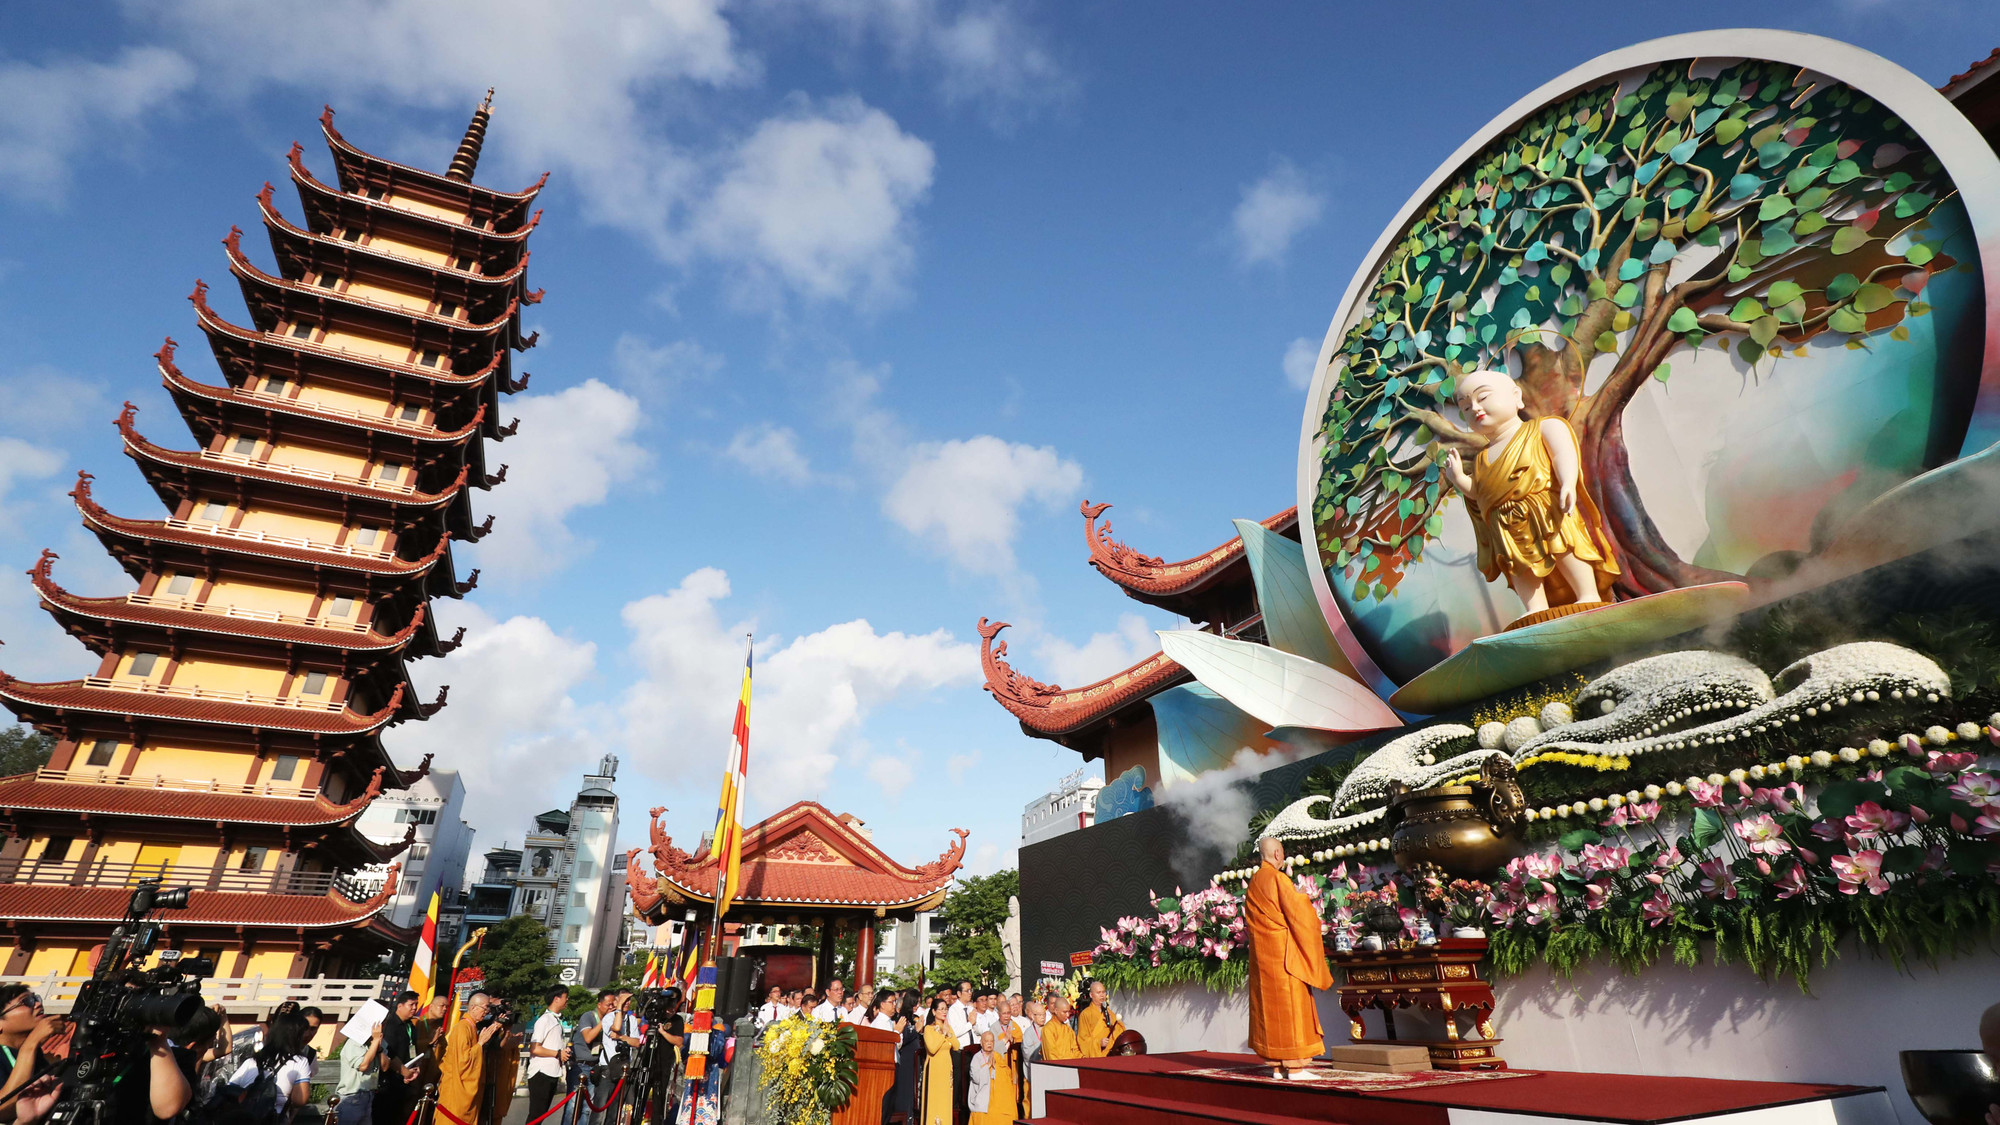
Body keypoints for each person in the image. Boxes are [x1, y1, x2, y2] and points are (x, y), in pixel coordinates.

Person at [1441, 368, 1618, 620]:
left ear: (1516, 397)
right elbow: (1481, 494)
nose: (1475, 408)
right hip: (1506, 525)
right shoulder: (1481, 459)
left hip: (1546, 508)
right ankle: (1536, 607)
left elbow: (1562, 454)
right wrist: (1459, 479)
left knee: (1564, 546)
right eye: (1466, 407)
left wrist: (1568, 482)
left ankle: (1587, 593)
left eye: (1483, 397)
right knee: (1518, 565)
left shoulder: (1544, 427)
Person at [1245, 835, 1332, 1080]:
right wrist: (1302, 897)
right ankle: (1295, 1067)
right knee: (1292, 1008)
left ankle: (1277, 1066)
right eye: (1282, 853)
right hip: (1286, 957)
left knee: (1271, 1011)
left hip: (1264, 958)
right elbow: (1298, 915)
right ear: (1277, 854)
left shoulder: (1254, 882)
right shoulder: (1277, 878)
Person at [224, 1009, 314, 1122]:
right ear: (297, 1036)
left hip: (243, 1118)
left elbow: (231, 1089)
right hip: (273, 1118)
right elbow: (300, 1100)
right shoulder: (300, 1062)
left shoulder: (252, 1060)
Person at [437, 992, 501, 1124]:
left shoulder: (471, 1027)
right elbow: (463, 1061)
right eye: (485, 1008)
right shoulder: (462, 1028)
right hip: (456, 1090)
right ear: (473, 1008)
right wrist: (480, 1044)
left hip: (466, 1089)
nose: (487, 1012)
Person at [371, 992, 423, 1125]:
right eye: (411, 1004)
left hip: (406, 1079)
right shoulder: (389, 1025)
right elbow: (389, 1053)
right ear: (400, 1006)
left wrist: (415, 1067)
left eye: (416, 1004)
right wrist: (403, 1071)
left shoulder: (410, 1026)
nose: (414, 1008)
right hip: (389, 1081)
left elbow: (412, 1050)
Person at [525, 987, 570, 1123]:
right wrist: (557, 1053)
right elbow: (535, 1048)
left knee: (541, 1114)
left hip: (552, 1072)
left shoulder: (555, 1020)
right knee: (536, 1114)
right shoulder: (544, 1020)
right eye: (565, 997)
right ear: (556, 999)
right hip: (541, 1073)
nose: (567, 1000)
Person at [334, 1014, 384, 1125]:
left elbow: (385, 1066)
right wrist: (375, 1041)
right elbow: (363, 1066)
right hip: (352, 1097)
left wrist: (378, 1047)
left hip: (368, 1095)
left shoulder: (374, 1043)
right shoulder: (354, 1043)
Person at [918, 998, 955, 1125]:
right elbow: (932, 1049)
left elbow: (956, 1045)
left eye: (946, 1009)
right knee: (934, 1101)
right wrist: (943, 1034)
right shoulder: (929, 1029)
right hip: (934, 1069)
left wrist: (948, 1033)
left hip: (946, 1068)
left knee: (946, 1099)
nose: (944, 1012)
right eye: (941, 1009)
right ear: (934, 1011)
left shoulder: (947, 1027)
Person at [1075, 982, 1124, 1059]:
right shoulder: (1086, 1014)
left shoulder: (1109, 1013)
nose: (1102, 995)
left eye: (1103, 992)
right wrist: (1098, 1043)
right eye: (1098, 992)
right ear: (1091, 995)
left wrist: (1112, 1025)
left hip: (1111, 1054)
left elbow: (1121, 1034)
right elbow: (1083, 1040)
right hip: (1096, 1056)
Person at [1035, 996, 1081, 1062]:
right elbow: (1051, 1055)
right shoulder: (1048, 1029)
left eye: (1068, 1012)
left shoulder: (1068, 1030)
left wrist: (1083, 1059)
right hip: (1057, 1066)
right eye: (1064, 1012)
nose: (1067, 1015)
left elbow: (1075, 1051)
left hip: (1070, 1065)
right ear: (1056, 1011)